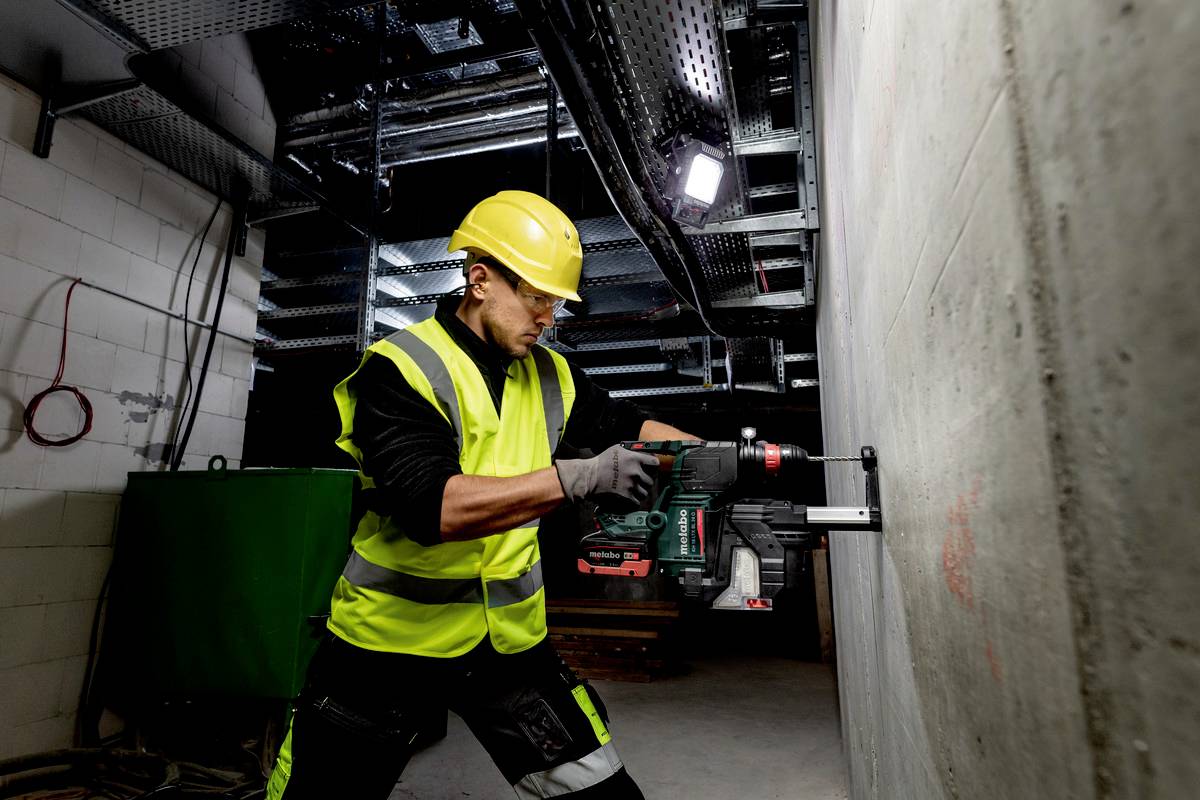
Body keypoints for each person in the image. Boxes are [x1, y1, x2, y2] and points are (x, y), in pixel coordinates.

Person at [267, 190, 696, 799]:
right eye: (538, 297)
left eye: (556, 302)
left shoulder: (552, 375)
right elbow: (432, 506)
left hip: (509, 648)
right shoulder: (403, 368)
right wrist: (578, 477)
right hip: (387, 647)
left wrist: (715, 461)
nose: (549, 317)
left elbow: (631, 427)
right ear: (480, 280)